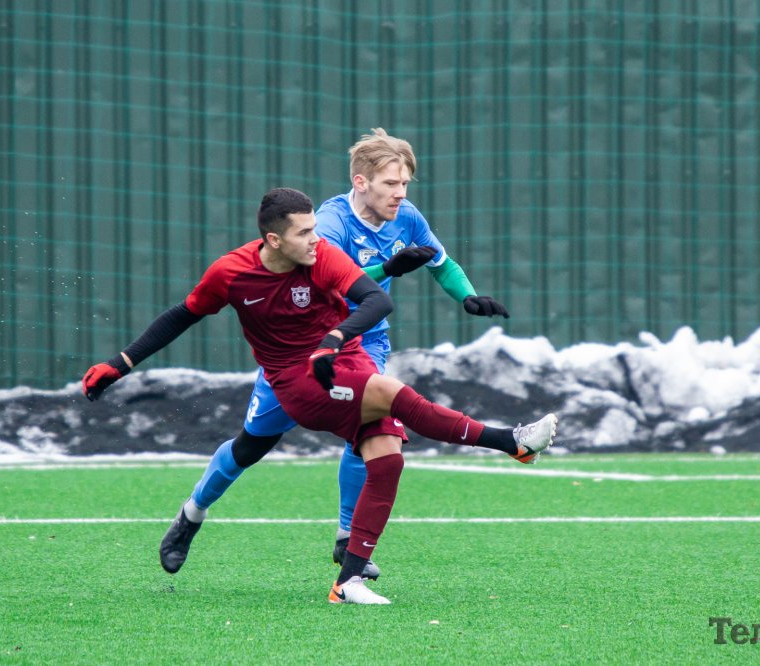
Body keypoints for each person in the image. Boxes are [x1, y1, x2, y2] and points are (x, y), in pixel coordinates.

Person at [82, 187, 557, 605]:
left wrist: (334, 338)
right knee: (249, 448)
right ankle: (191, 514)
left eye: (314, 229)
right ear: (274, 240)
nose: (316, 239)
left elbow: (378, 299)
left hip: (342, 358)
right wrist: (120, 364)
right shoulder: (231, 273)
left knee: (387, 455)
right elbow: (182, 315)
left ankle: (348, 579)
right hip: (291, 378)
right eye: (304, 232)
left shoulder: (324, 255)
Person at [142, 128, 514, 583]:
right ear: (361, 182)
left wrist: (467, 296)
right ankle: (192, 513)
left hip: (365, 342)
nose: (401, 193)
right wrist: (386, 267)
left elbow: (442, 263)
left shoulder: (407, 216)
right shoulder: (330, 224)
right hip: (306, 346)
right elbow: (337, 277)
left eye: (404, 183)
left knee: (372, 429)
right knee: (252, 445)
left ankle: (347, 538)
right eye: (391, 183)